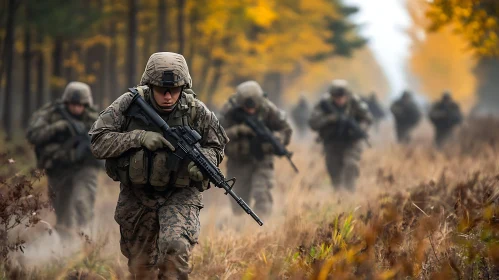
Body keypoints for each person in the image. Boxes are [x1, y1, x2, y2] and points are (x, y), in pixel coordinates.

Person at [89, 52, 228, 279]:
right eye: (161, 89)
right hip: (138, 194)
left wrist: (204, 162)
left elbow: (217, 147)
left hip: (181, 193)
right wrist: (138, 138)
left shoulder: (196, 111)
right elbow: (97, 142)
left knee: (175, 249)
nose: (167, 96)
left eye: (173, 90)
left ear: (183, 87)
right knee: (141, 266)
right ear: (149, 85)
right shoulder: (128, 104)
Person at [26, 81, 100, 238]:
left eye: (81, 105)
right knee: (62, 210)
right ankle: (66, 248)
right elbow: (33, 135)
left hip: (84, 166)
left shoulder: (94, 118)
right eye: (73, 104)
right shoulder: (51, 113)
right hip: (58, 167)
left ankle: (87, 241)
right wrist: (57, 127)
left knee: (83, 201)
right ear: (66, 102)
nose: (77, 108)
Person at [219, 81, 292, 217]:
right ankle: (241, 230)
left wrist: (276, 140)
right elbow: (216, 135)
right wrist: (238, 130)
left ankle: (261, 230)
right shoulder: (229, 110)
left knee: (262, 193)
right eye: (246, 106)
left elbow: (286, 129)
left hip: (262, 160)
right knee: (237, 200)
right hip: (238, 160)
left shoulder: (268, 109)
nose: (250, 110)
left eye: (253, 106)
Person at [309, 80, 372, 191]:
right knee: (334, 170)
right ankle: (338, 196)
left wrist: (358, 129)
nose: (339, 100)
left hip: (352, 141)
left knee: (351, 164)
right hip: (331, 141)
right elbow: (313, 122)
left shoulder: (355, 102)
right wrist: (329, 119)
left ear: (347, 95)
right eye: (336, 97)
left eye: (342, 96)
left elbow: (367, 119)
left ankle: (350, 193)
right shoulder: (323, 104)